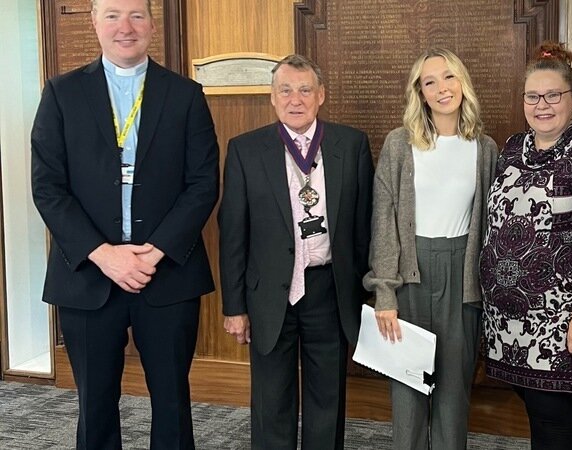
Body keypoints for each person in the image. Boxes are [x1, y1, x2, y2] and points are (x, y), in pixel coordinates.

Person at [29, 0, 219, 448]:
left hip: (166, 272)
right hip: (88, 275)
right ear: (95, 22)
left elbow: (203, 183)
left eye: (136, 15)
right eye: (112, 15)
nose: (125, 27)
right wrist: (104, 255)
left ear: (152, 24)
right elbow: (48, 187)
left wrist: (155, 252)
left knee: (172, 403)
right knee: (94, 404)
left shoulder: (186, 94)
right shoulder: (61, 93)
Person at [218, 54, 373, 450]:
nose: (295, 99)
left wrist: (364, 294)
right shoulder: (245, 150)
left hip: (329, 289)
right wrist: (234, 306)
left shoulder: (351, 144)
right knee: (271, 399)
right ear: (272, 97)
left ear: (321, 95)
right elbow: (232, 234)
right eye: (285, 90)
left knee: (327, 397)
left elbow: (363, 227)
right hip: (270, 294)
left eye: (305, 90)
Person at [479, 41, 572, 450]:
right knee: (539, 419)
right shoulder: (510, 148)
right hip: (506, 322)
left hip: (563, 319)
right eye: (533, 96)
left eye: (553, 95)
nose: (542, 105)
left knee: (553, 424)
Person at [363, 48, 498, 450]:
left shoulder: (484, 148)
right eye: (430, 82)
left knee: (454, 393)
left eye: (449, 77)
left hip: (462, 278)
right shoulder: (399, 144)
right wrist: (385, 292)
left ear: (463, 83)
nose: (442, 88)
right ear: (419, 93)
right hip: (410, 275)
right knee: (408, 391)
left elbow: (490, 223)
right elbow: (384, 221)